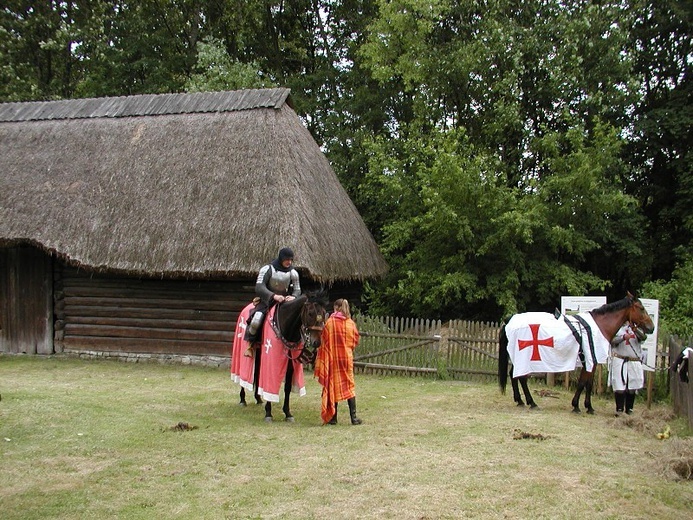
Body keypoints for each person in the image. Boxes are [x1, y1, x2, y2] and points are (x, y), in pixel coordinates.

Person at [243, 247, 301, 356]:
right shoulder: (267, 269)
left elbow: (297, 290)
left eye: (291, 260)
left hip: (285, 301)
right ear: (281, 258)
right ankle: (250, 344)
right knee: (257, 319)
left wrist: (293, 297)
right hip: (267, 301)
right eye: (287, 259)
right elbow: (259, 287)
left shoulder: (293, 273)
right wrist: (273, 296)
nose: (289, 262)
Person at [314, 298, 362, 425]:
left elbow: (324, 339)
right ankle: (354, 417)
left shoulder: (330, 322)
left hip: (333, 359)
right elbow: (355, 340)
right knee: (349, 385)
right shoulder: (350, 323)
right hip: (346, 359)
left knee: (333, 385)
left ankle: (333, 418)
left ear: (336, 308)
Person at [609, 323, 646, 416]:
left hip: (633, 361)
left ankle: (629, 409)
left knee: (632, 386)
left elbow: (643, 338)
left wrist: (635, 330)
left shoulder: (637, 328)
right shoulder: (617, 327)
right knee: (619, 385)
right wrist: (623, 337)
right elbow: (612, 341)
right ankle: (619, 409)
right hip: (620, 359)